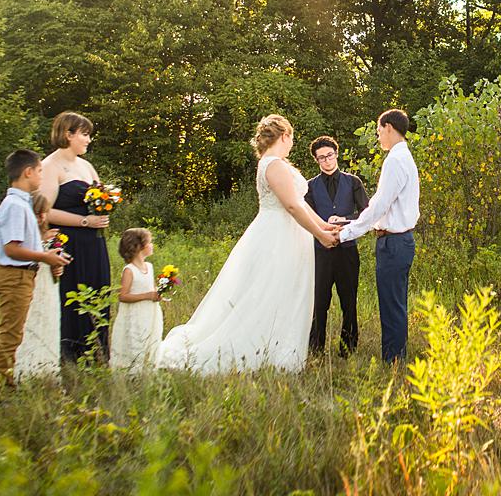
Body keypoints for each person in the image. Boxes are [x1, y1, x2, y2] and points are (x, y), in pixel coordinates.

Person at [157, 114, 339, 373]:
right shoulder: (273, 164)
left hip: (287, 233)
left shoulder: (277, 163)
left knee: (284, 293)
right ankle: (262, 351)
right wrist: (320, 235)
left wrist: (324, 225)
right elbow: (291, 205)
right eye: (291, 138)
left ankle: (276, 349)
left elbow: (299, 203)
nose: (292, 143)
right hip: (277, 236)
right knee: (268, 293)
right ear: (284, 135)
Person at [337, 110, 419, 364]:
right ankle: (396, 358)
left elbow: (380, 206)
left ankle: (393, 362)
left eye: (379, 131)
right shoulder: (404, 157)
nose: (378, 136)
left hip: (394, 243)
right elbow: (382, 206)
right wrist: (350, 222)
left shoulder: (396, 160)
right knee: (395, 303)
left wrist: (346, 233)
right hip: (400, 241)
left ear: (389, 127)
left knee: (391, 305)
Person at [0, 149, 70, 386]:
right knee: (10, 336)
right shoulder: (14, 205)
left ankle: (7, 382)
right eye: (40, 171)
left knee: (15, 333)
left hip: (23, 276)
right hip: (14, 276)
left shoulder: (22, 204)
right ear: (28, 172)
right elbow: (12, 248)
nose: (42, 176)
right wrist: (45, 257)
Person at [39, 111, 113, 363]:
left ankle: (96, 352)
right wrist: (85, 220)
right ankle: (71, 354)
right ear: (67, 134)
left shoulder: (86, 166)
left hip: (93, 241)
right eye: (84, 134)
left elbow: (101, 197)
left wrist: (105, 207)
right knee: (72, 295)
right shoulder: (50, 166)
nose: (88, 139)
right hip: (69, 240)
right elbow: (44, 211)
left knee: (98, 289)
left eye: (88, 134)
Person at [304, 136, 369, 357]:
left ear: (336, 154)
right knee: (319, 302)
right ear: (316, 160)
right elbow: (307, 217)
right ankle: (315, 349)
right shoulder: (309, 187)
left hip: (347, 251)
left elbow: (365, 214)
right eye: (321, 158)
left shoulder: (353, 182)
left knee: (348, 301)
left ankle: (347, 349)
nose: (327, 160)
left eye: (329, 155)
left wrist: (343, 219)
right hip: (320, 252)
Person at [15, 193, 64, 381]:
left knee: (49, 321)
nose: (42, 217)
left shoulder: (52, 234)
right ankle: (25, 369)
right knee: (30, 321)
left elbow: (54, 260)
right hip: (30, 281)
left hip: (48, 285)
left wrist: (57, 268)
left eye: (44, 212)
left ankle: (47, 369)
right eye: (38, 212)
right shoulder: (24, 235)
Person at [110, 227, 163, 373]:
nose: (152, 245)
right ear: (139, 247)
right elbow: (123, 296)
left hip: (150, 312)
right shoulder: (129, 270)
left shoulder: (149, 267)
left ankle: (149, 366)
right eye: (149, 242)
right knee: (135, 339)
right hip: (135, 314)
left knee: (150, 336)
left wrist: (158, 294)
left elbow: (151, 289)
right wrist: (147, 296)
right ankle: (133, 370)